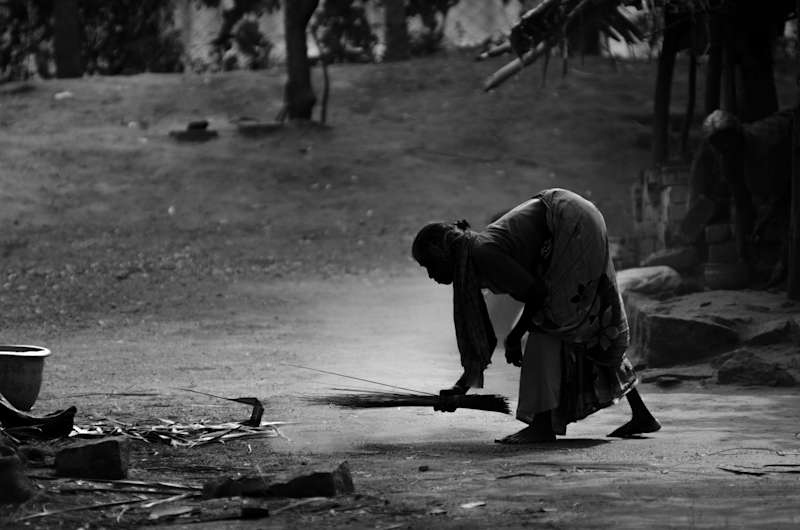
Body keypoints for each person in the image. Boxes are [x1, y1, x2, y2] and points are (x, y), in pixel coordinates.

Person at [412, 188, 661, 443]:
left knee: (550, 324)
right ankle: (642, 415)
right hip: (573, 216)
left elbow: (537, 294)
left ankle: (541, 426)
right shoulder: (474, 257)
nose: (431, 275)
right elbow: (485, 335)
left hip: (572, 221)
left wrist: (515, 335)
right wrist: (460, 389)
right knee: (588, 326)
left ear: (441, 252)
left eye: (429, 265)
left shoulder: (482, 253)